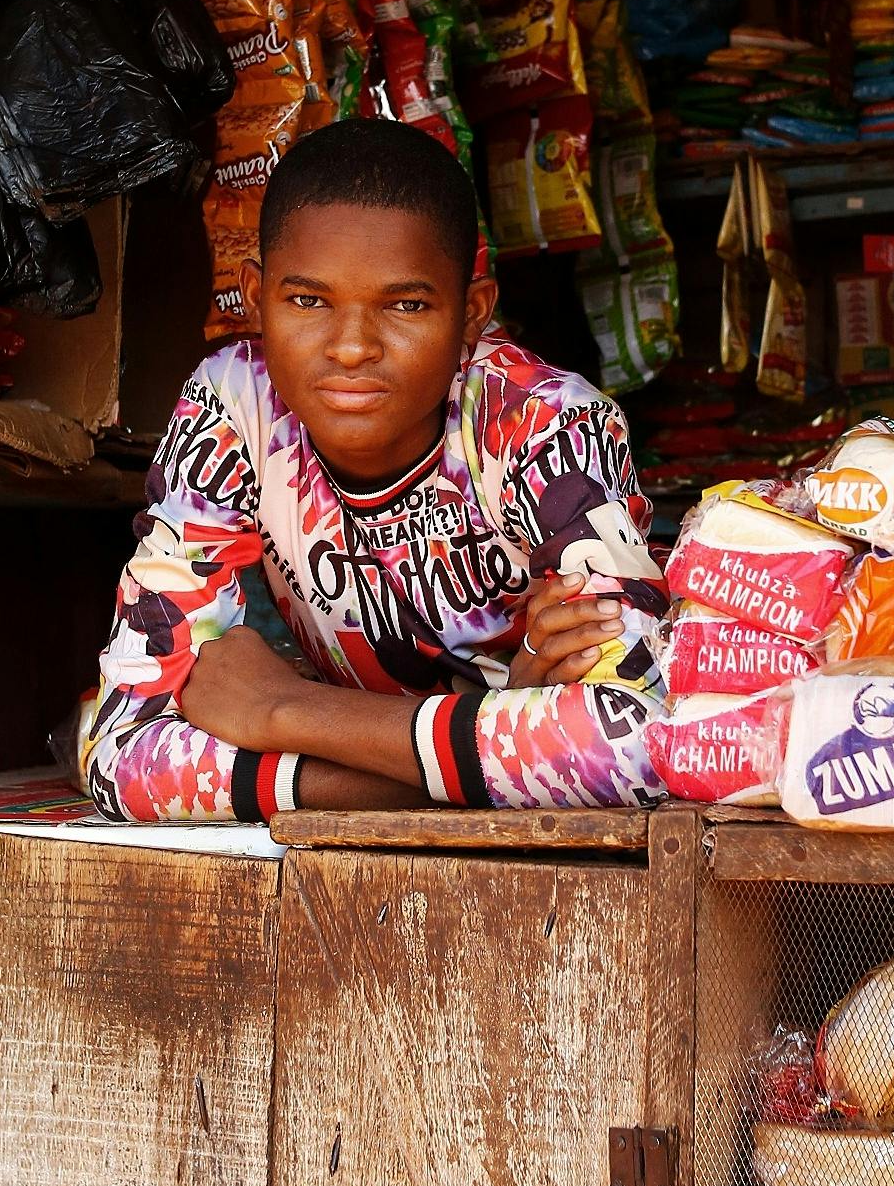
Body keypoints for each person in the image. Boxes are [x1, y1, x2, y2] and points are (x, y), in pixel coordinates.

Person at [78, 116, 668, 817]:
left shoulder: (544, 423)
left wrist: (286, 709)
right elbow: (120, 750)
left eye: (407, 304)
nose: (352, 347)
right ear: (257, 298)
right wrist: (494, 735)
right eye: (307, 300)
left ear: (471, 314)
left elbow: (639, 741)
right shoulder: (233, 407)